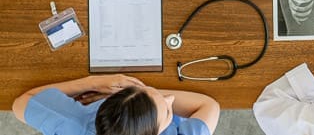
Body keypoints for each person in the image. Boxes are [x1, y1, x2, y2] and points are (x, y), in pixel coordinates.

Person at [12, 74, 220, 135]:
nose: (171, 100)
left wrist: (92, 83)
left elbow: (20, 103)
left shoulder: (72, 123)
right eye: (167, 112)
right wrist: (152, 94)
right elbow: (209, 106)